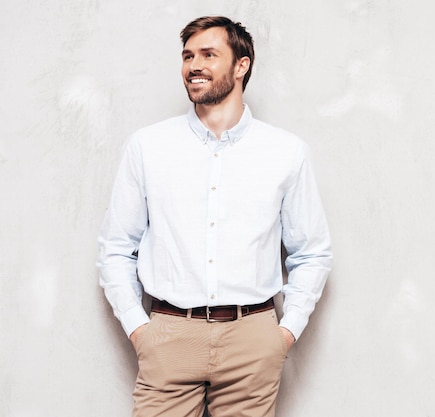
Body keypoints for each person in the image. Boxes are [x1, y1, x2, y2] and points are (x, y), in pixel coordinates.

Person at [96, 15, 332, 417]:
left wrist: (284, 333)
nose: (194, 66)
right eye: (188, 56)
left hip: (252, 337)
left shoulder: (285, 152)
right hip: (170, 334)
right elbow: (117, 248)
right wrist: (140, 329)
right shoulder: (148, 147)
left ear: (241, 66)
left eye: (208, 54)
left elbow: (312, 252)